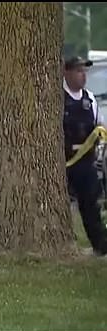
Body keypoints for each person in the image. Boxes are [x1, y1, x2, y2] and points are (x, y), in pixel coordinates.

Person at [63, 56, 107, 256]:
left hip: (86, 162)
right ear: (67, 72)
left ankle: (100, 245)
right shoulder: (58, 98)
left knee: (90, 205)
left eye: (84, 71)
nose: (83, 75)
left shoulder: (89, 99)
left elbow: (101, 126)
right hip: (63, 163)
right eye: (79, 71)